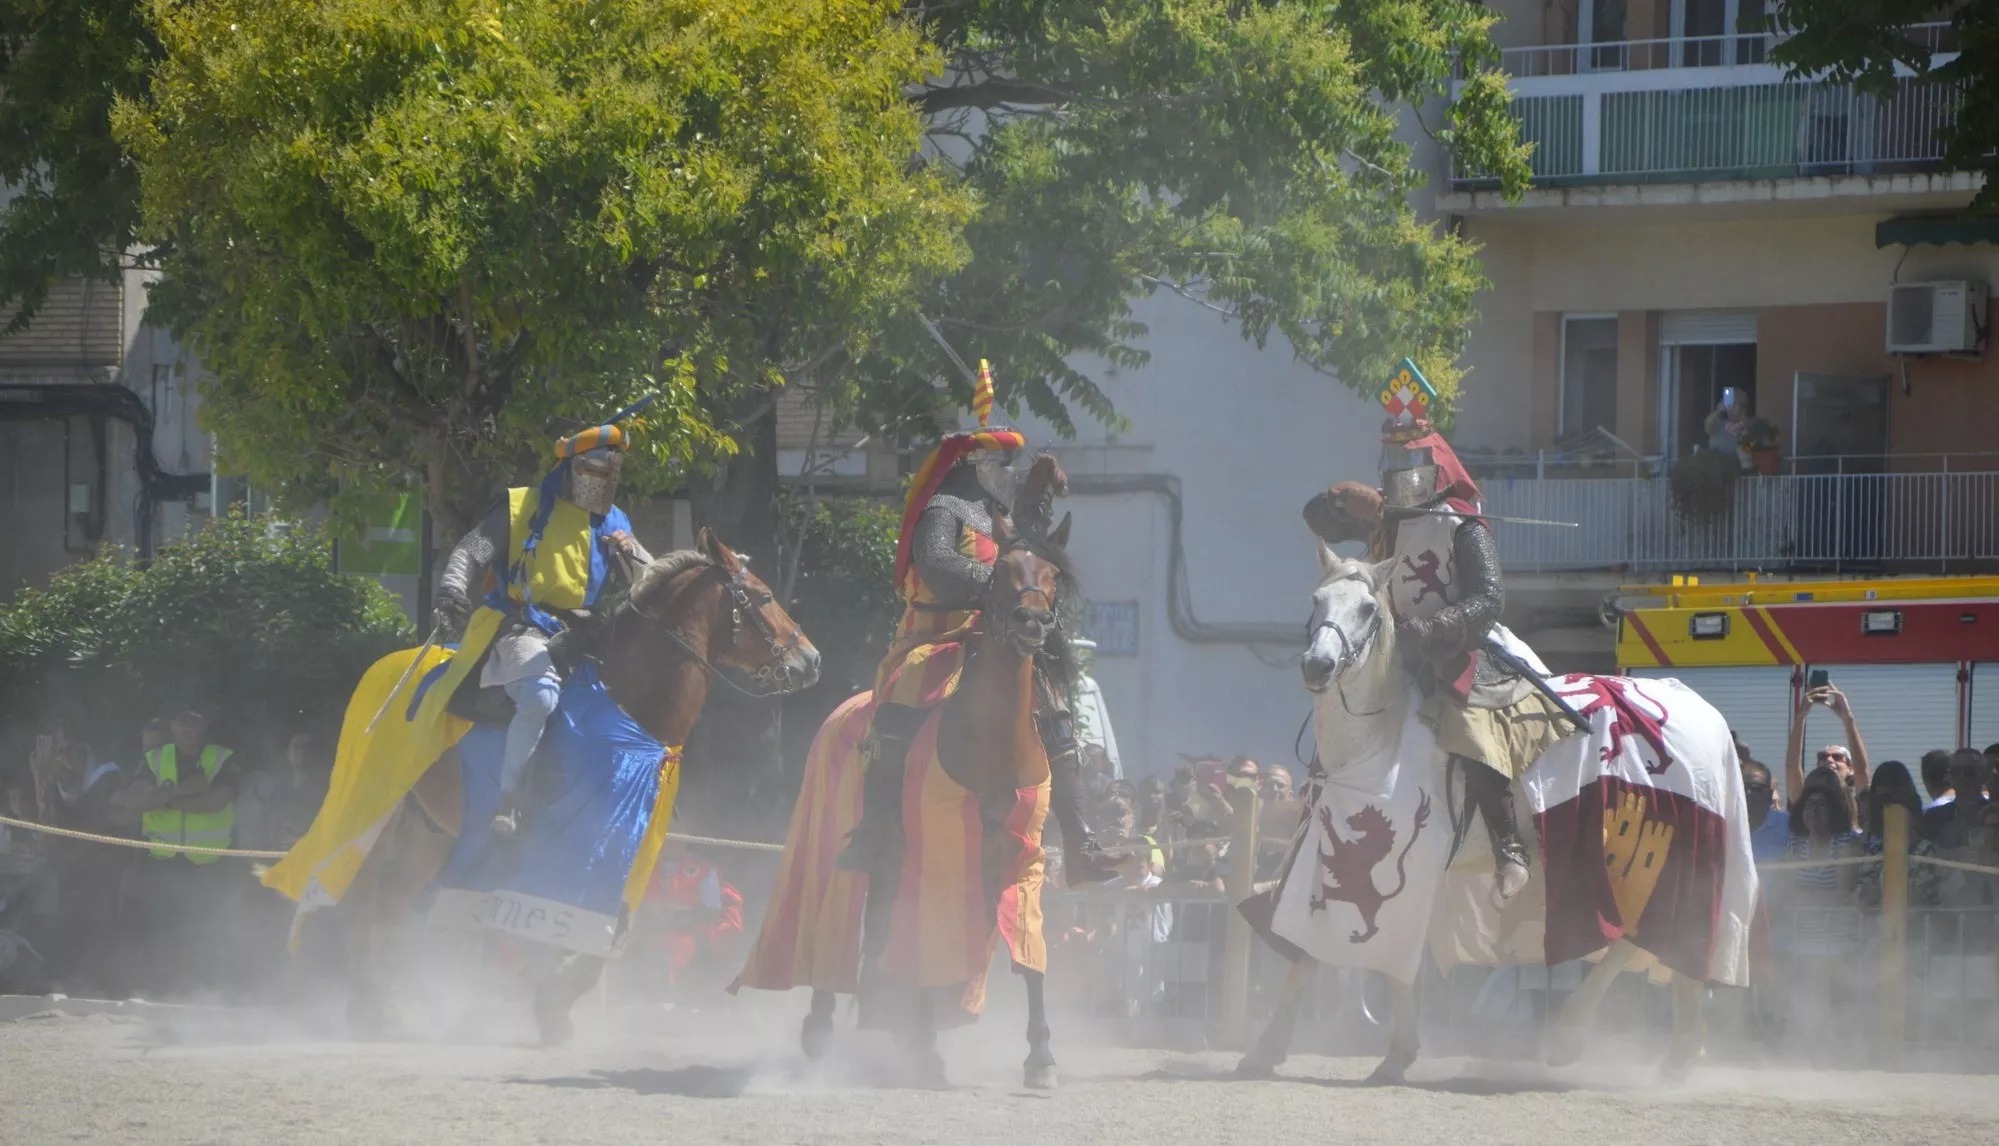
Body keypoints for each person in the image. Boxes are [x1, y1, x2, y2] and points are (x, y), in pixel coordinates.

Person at [1301, 367, 1569, 904]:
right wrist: (1335, 500)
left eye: (1409, 465)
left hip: (1464, 648)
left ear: (1433, 467)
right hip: (1394, 653)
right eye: (1391, 466)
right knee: (1340, 723)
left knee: (1469, 728)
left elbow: (1489, 600)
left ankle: (1508, 848)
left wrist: (1433, 628)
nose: (1399, 476)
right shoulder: (1384, 522)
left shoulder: (1462, 524)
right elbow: (1314, 522)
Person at [834, 381, 1107, 882]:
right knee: (907, 689)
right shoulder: (943, 512)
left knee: (1056, 709)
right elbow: (938, 566)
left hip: (997, 631)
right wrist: (1000, 586)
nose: (1006, 474)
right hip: (935, 633)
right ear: (973, 467)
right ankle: (876, 829)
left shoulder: (999, 517)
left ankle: (1083, 841)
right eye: (999, 465)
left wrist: (1041, 482)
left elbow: (1031, 552)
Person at [434, 424, 650, 835]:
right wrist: (451, 587)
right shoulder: (522, 506)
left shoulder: (615, 520)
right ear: (571, 469)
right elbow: (473, 549)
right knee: (539, 695)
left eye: (614, 473)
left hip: (586, 635)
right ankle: (510, 800)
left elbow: (649, 579)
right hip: (522, 626)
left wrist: (632, 553)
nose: (606, 482)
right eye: (598, 470)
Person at [1783, 683, 1871, 829]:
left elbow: (1862, 771)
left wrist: (1847, 719)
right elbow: (1792, 767)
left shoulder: (1858, 802)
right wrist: (1801, 715)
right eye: (1822, 757)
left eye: (1837, 757)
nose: (1829, 760)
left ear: (1850, 768)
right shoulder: (1806, 801)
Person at [1855, 761, 1941, 909]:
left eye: (1895, 802)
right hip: (1874, 928)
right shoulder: (1874, 850)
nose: (1888, 810)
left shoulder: (1928, 851)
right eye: (1882, 803)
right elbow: (1861, 896)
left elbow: (1925, 897)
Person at [1922, 749, 1991, 854]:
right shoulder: (1933, 816)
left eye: (1969, 772)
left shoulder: (1992, 815)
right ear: (1948, 776)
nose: (1961, 776)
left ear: (1984, 777)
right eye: (1956, 771)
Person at [1742, 757, 1789, 864]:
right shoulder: (1726, 827)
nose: (1747, 792)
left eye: (1755, 788)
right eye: (1742, 787)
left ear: (1769, 794)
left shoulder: (1787, 826)